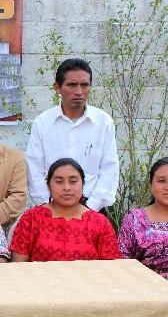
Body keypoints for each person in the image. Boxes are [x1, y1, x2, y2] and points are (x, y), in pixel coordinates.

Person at [25, 58, 119, 212]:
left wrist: (90, 207)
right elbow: (34, 168)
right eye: (72, 85)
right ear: (57, 87)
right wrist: (47, 204)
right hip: (51, 208)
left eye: (84, 85)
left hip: (92, 208)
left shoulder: (103, 122)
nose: (79, 92)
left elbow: (110, 168)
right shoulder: (42, 123)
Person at [11, 158, 120, 262]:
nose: (66, 187)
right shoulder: (31, 219)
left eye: (73, 181)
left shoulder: (100, 223)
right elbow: (19, 267)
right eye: (59, 181)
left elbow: (111, 268)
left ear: (83, 184)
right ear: (48, 186)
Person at [118, 157, 168, 278]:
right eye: (161, 181)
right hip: (146, 290)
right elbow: (122, 264)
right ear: (151, 184)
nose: (167, 187)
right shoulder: (134, 220)